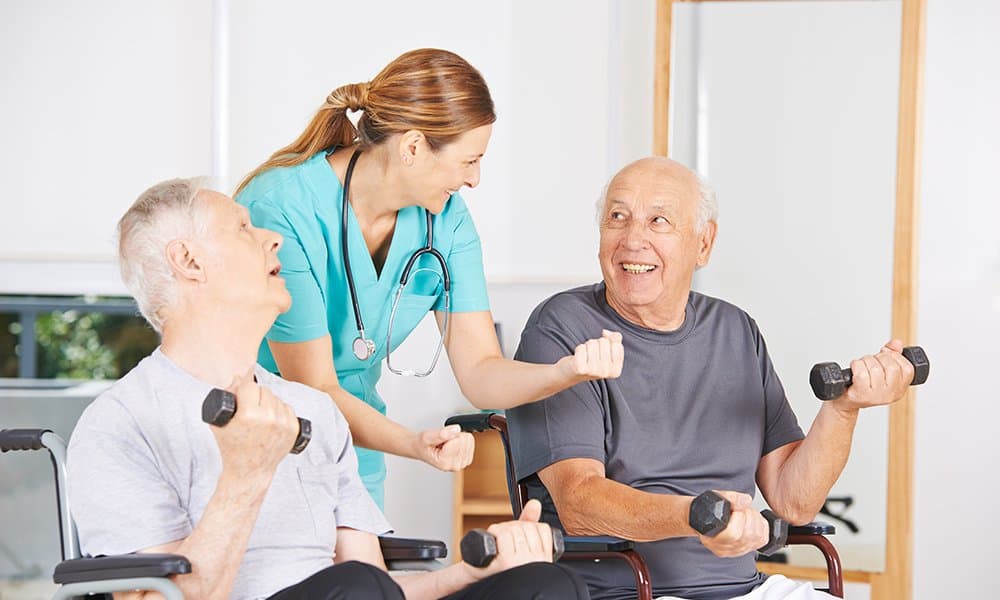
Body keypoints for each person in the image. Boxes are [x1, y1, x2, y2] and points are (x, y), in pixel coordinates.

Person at [66, 179, 590, 600]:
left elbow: (379, 586)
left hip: (352, 592)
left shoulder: (312, 408)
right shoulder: (120, 422)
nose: (273, 238)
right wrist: (245, 473)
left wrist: (478, 572)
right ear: (189, 261)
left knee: (546, 584)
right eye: (243, 229)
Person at [506, 157, 915, 600]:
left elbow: (793, 501)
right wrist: (702, 515)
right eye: (617, 218)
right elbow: (579, 502)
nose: (633, 239)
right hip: (627, 590)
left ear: (704, 243)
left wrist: (843, 409)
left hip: (746, 587)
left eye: (658, 221)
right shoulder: (561, 327)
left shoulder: (736, 330)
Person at [234, 48, 623, 507]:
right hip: (264, 449)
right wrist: (413, 444)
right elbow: (314, 388)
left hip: (356, 456)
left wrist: (565, 372)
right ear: (413, 146)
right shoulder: (280, 208)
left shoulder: (447, 222)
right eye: (468, 160)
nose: (475, 179)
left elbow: (480, 374)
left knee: (365, 579)